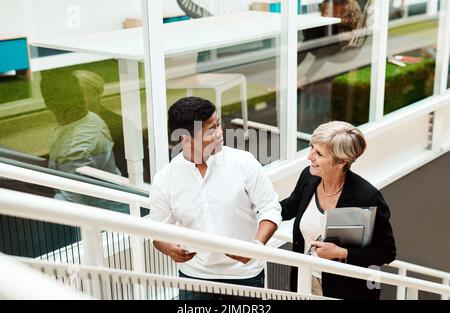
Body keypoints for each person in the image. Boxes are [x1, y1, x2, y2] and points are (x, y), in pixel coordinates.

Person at [150, 96, 282, 299]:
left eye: (218, 124)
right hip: (194, 278)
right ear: (185, 138)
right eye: (210, 129)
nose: (220, 133)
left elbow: (271, 208)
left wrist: (255, 248)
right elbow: (157, 232)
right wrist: (167, 248)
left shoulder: (244, 163)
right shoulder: (165, 179)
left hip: (245, 275)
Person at [280, 121, 396, 300]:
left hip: (346, 291)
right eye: (311, 147)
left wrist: (341, 253)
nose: (309, 156)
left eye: (318, 153)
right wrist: (255, 208)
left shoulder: (367, 197)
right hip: (304, 280)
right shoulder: (308, 177)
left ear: (341, 161)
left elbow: (386, 252)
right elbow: (289, 207)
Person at [40, 71, 128, 213]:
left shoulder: (76, 149)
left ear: (48, 103)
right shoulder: (91, 118)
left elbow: (73, 204)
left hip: (105, 220)